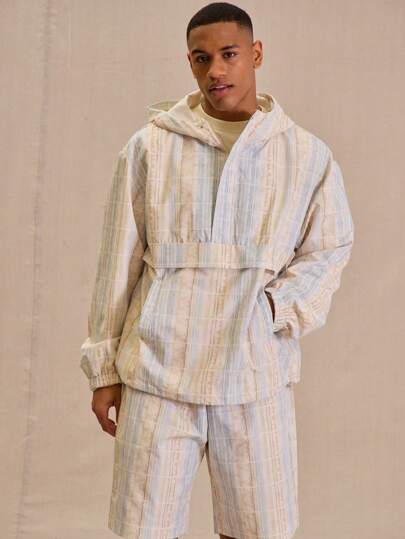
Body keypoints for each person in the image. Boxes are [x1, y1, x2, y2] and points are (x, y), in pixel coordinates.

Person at [80, 2, 354, 538]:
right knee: (144, 528)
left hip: (256, 374)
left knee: (258, 529)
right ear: (189, 63)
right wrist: (104, 369)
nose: (216, 70)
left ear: (256, 54)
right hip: (157, 372)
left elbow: (329, 247)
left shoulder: (305, 155)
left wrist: (272, 308)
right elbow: (117, 261)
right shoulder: (150, 146)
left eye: (229, 54)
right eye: (202, 59)